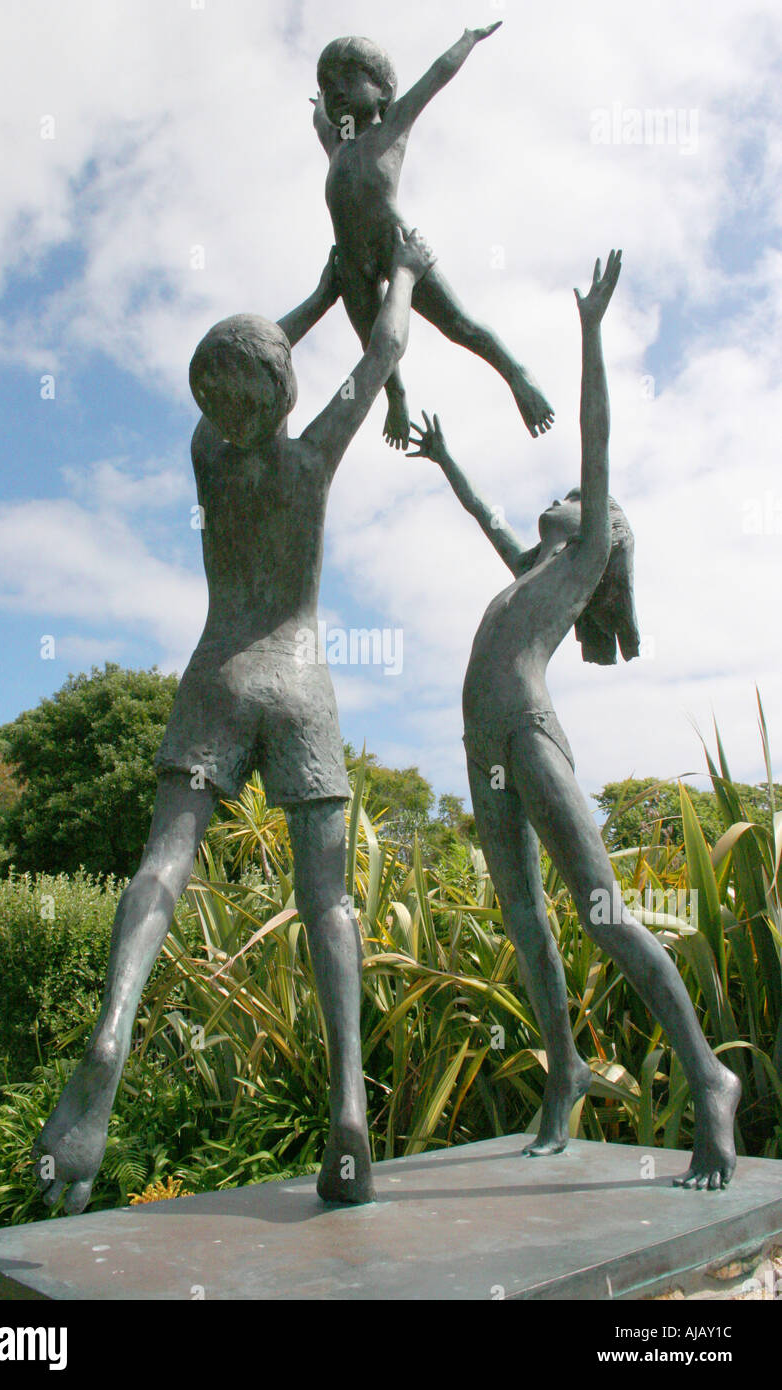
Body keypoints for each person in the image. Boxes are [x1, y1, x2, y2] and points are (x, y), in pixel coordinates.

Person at [32, 226, 437, 1214]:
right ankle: (348, 1102)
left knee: (161, 866)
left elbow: (242, 370)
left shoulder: (207, 452)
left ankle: (111, 1033)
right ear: (284, 392)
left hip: (215, 671)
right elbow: (382, 352)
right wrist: (405, 274)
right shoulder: (308, 459)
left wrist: (297, 301)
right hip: (297, 683)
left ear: (215, 395)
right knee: (328, 903)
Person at [407, 250, 741, 1189]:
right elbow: (485, 521)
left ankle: (709, 1078)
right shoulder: (532, 572)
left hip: (525, 729)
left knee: (602, 914)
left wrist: (589, 332)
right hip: (482, 743)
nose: (555, 496)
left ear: (600, 527)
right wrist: (446, 463)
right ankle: (566, 1075)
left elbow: (595, 438)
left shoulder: (589, 548)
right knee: (524, 921)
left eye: (569, 495)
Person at [310, 25, 555, 449]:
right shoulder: (337, 145)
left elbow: (437, 75)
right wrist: (319, 105)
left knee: (459, 324)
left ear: (384, 92)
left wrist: (468, 39)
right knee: (373, 346)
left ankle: (518, 375)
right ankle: (397, 396)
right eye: (328, 87)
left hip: (396, 246)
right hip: (350, 262)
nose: (337, 93)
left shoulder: (391, 129)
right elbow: (320, 118)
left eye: (348, 80)